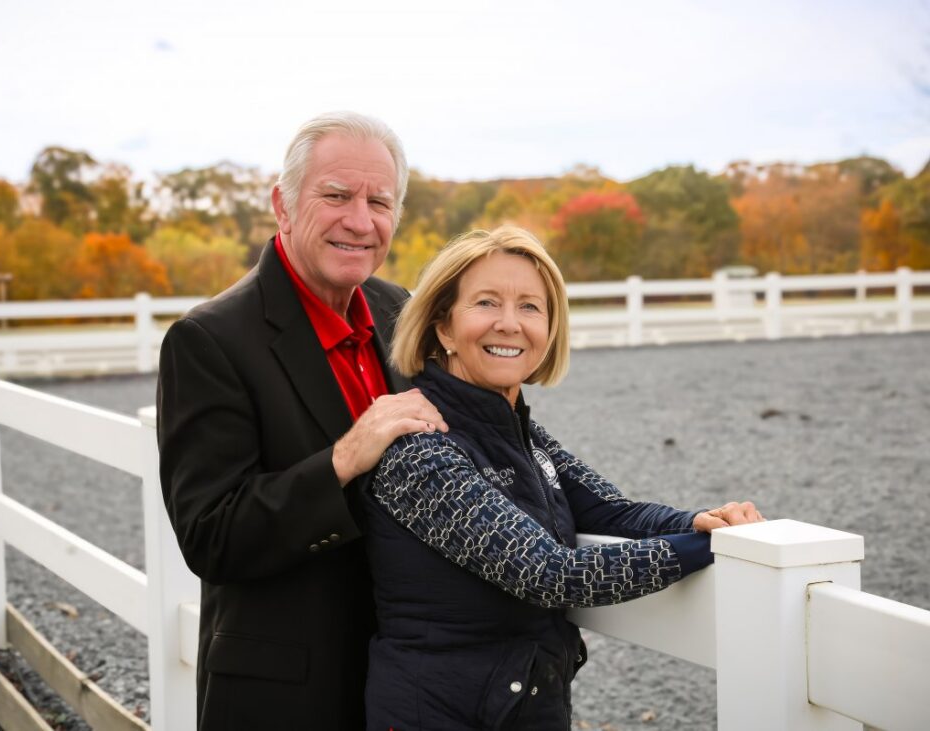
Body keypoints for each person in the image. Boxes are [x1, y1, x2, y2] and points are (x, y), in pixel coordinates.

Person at [364, 225, 763, 730]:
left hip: (518, 704)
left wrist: (703, 521)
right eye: (487, 302)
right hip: (441, 713)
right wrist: (710, 549)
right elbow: (548, 574)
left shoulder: (522, 435)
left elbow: (612, 511)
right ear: (443, 328)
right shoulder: (420, 447)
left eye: (531, 306)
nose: (510, 324)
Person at [156, 112, 447, 730]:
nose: (361, 221)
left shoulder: (402, 312)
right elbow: (211, 534)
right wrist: (344, 458)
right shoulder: (209, 340)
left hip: (407, 688)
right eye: (336, 196)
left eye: (380, 202)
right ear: (283, 206)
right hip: (286, 696)